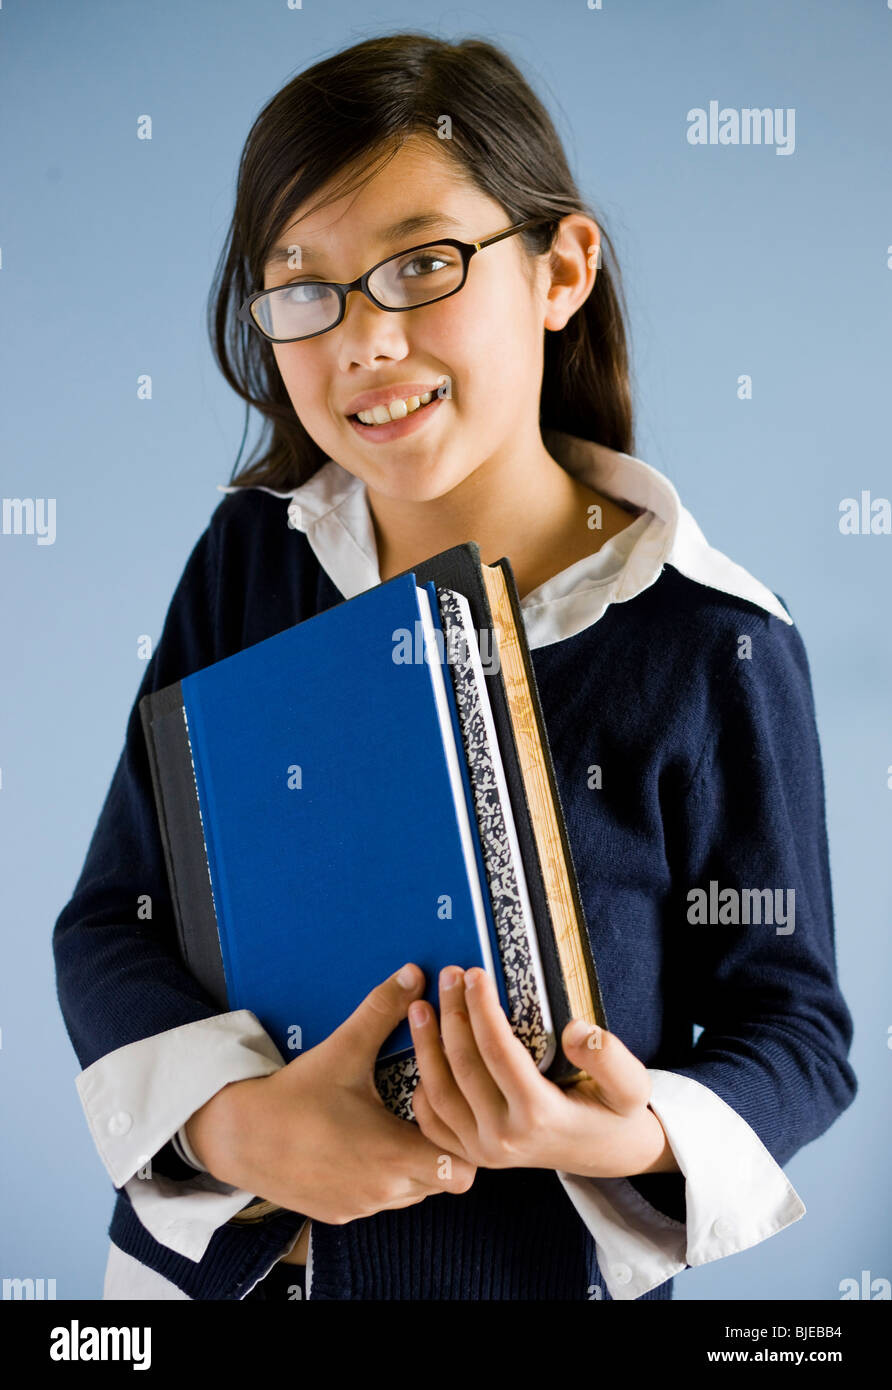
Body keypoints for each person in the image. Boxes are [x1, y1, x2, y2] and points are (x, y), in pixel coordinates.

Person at [53, 33, 857, 1302]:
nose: (363, 341)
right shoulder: (249, 556)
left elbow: (795, 1031)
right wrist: (232, 1123)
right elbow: (115, 918)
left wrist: (620, 1133)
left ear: (561, 268)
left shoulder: (716, 639)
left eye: (422, 265)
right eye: (304, 287)